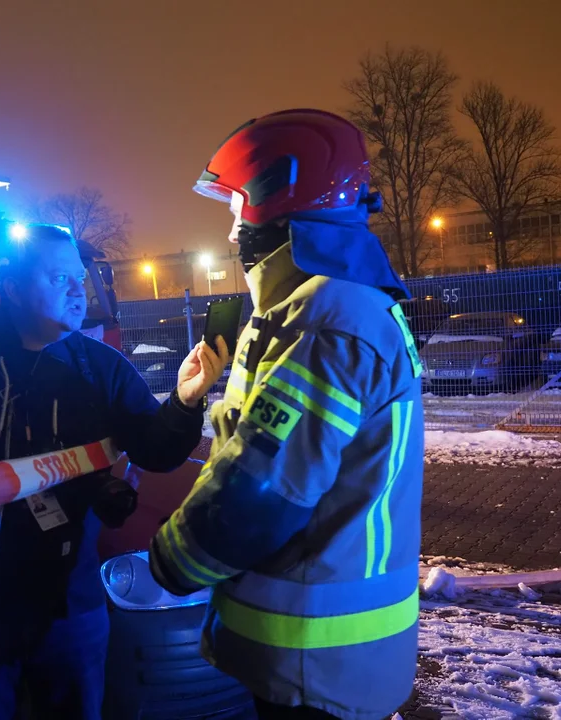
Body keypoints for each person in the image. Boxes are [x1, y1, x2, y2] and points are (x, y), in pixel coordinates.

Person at [148, 109, 425, 720]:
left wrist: (171, 557)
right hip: (319, 659)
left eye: (234, 212)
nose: (229, 236)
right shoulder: (327, 307)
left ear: (276, 204)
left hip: (314, 666)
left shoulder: (326, 319)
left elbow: (261, 487)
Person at [0, 224, 229, 720]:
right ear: (14, 288)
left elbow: (156, 450)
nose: (77, 289)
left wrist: (185, 401)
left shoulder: (99, 367)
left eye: (78, 277)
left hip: (70, 606)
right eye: (58, 277)